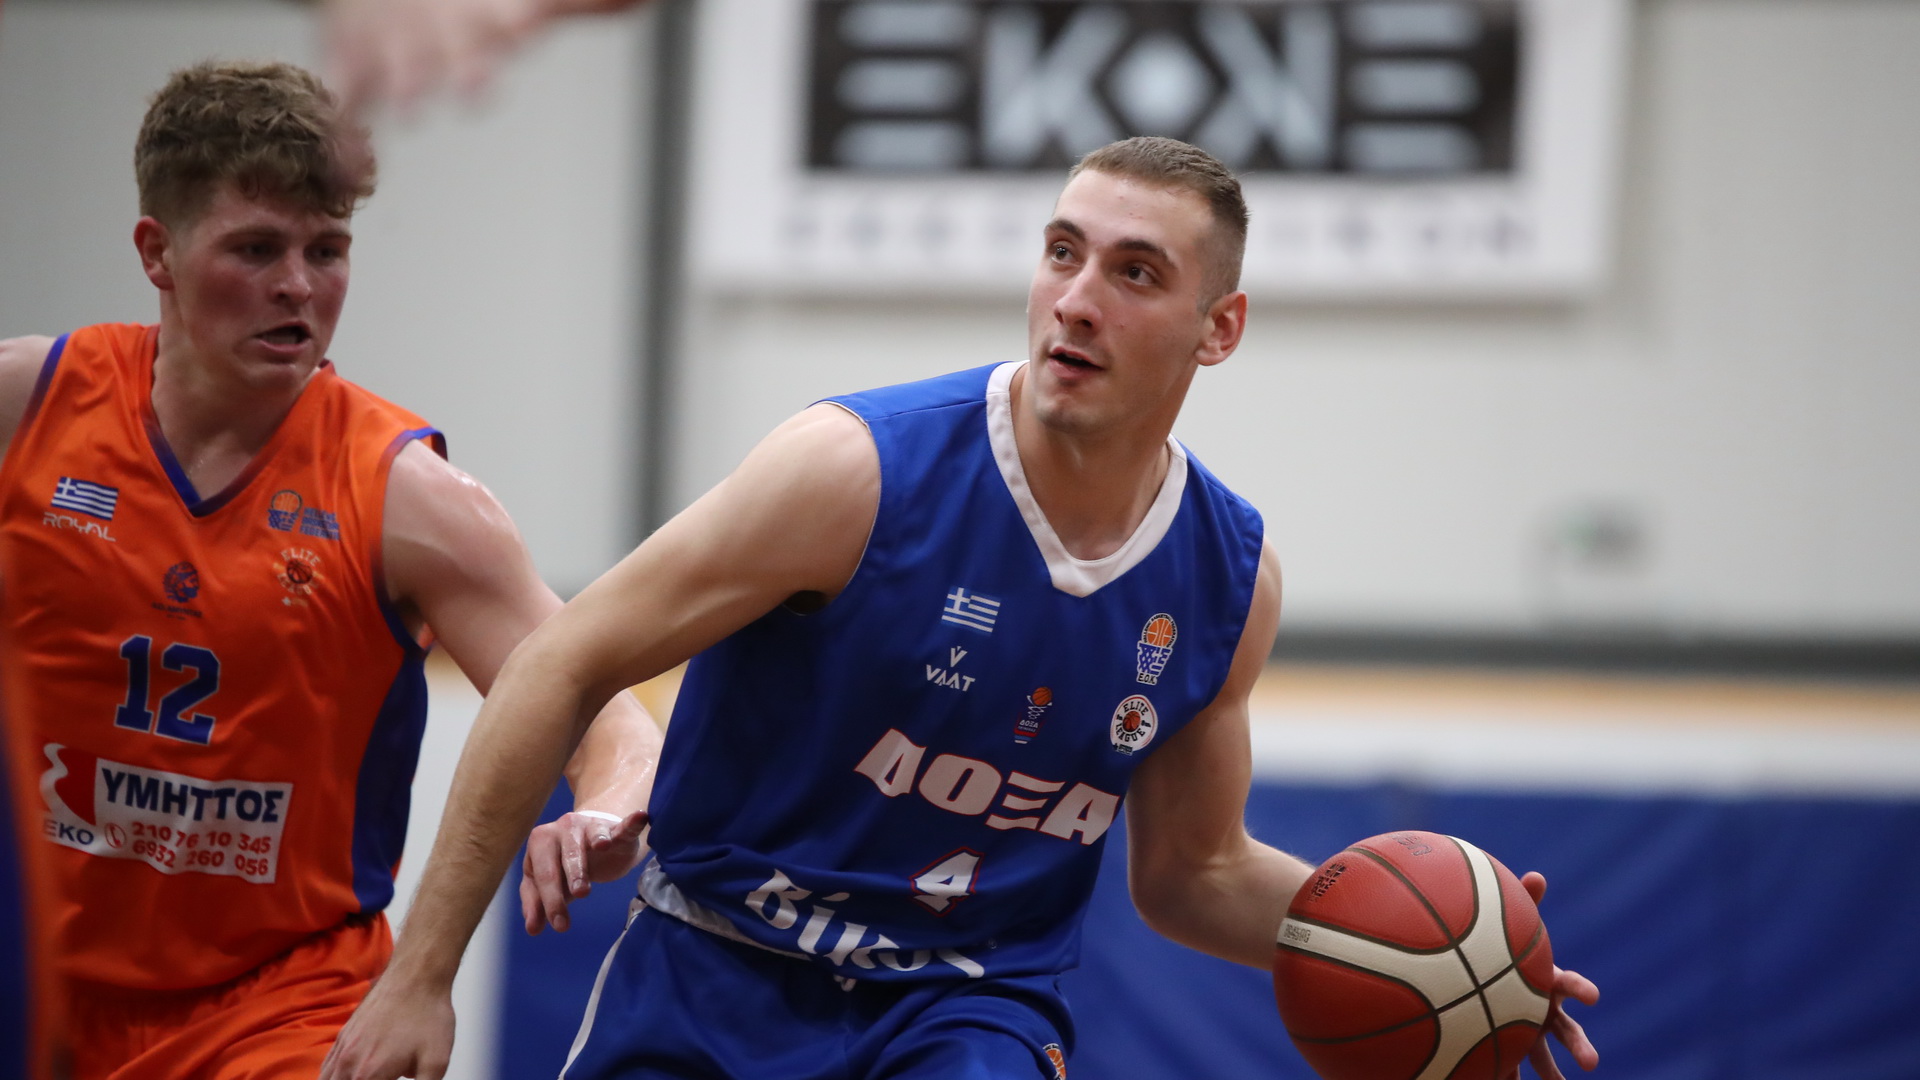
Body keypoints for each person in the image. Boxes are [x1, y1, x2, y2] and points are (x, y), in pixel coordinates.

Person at [321, 135, 1601, 1080]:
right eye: (1063, 252)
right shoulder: (851, 474)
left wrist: (1445, 963)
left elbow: (1194, 874)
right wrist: (423, 974)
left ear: (1220, 329)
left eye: (1137, 272)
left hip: (963, 1006)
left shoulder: (1226, 579)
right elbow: (562, 658)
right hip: (715, 967)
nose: (1078, 298)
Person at [0, 60, 661, 1079]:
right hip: (37, 977)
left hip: (279, 1007)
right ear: (157, 252)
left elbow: (598, 703)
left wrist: (607, 808)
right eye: (256, 249)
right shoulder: (30, 407)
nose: (298, 286)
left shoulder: (408, 498)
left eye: (327, 249)